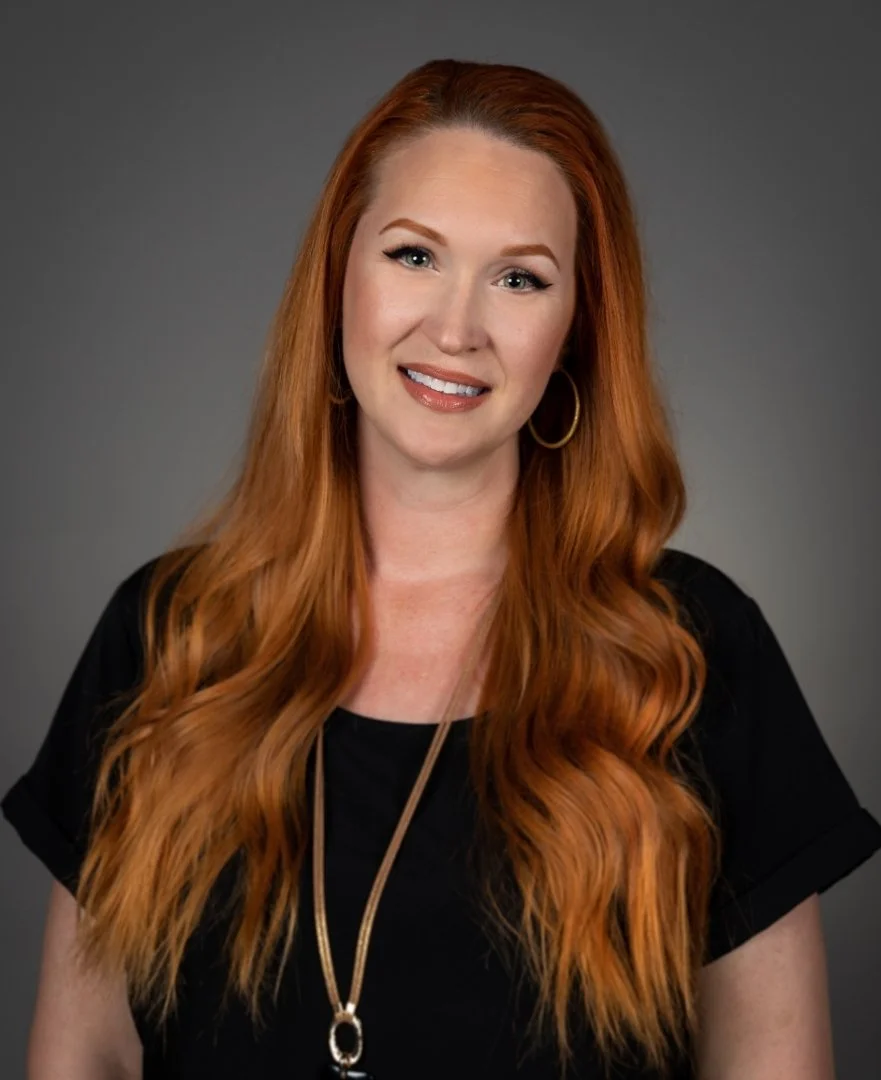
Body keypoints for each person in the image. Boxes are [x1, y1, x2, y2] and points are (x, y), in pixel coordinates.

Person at [3, 58, 879, 1080]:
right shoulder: (164, 635)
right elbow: (87, 1055)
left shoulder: (689, 656)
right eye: (413, 255)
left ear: (575, 332)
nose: (455, 328)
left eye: (519, 277)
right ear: (338, 275)